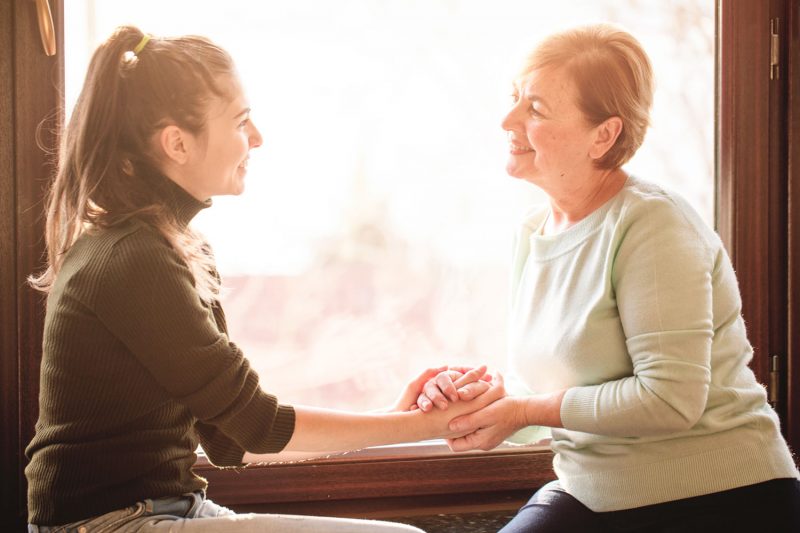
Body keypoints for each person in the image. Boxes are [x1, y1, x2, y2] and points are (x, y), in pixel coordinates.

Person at [23, 26, 504, 533]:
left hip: (169, 509)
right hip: (108, 524)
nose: (257, 138)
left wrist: (392, 414)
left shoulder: (174, 248)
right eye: (241, 121)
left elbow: (231, 440)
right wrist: (424, 425)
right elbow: (255, 423)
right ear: (177, 143)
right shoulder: (131, 257)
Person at [416, 24, 800, 532]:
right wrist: (484, 406)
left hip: (721, 496)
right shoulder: (533, 233)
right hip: (598, 492)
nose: (507, 120)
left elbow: (668, 400)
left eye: (535, 109)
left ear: (604, 134)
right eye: (514, 99)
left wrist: (526, 410)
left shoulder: (653, 224)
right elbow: (554, 399)